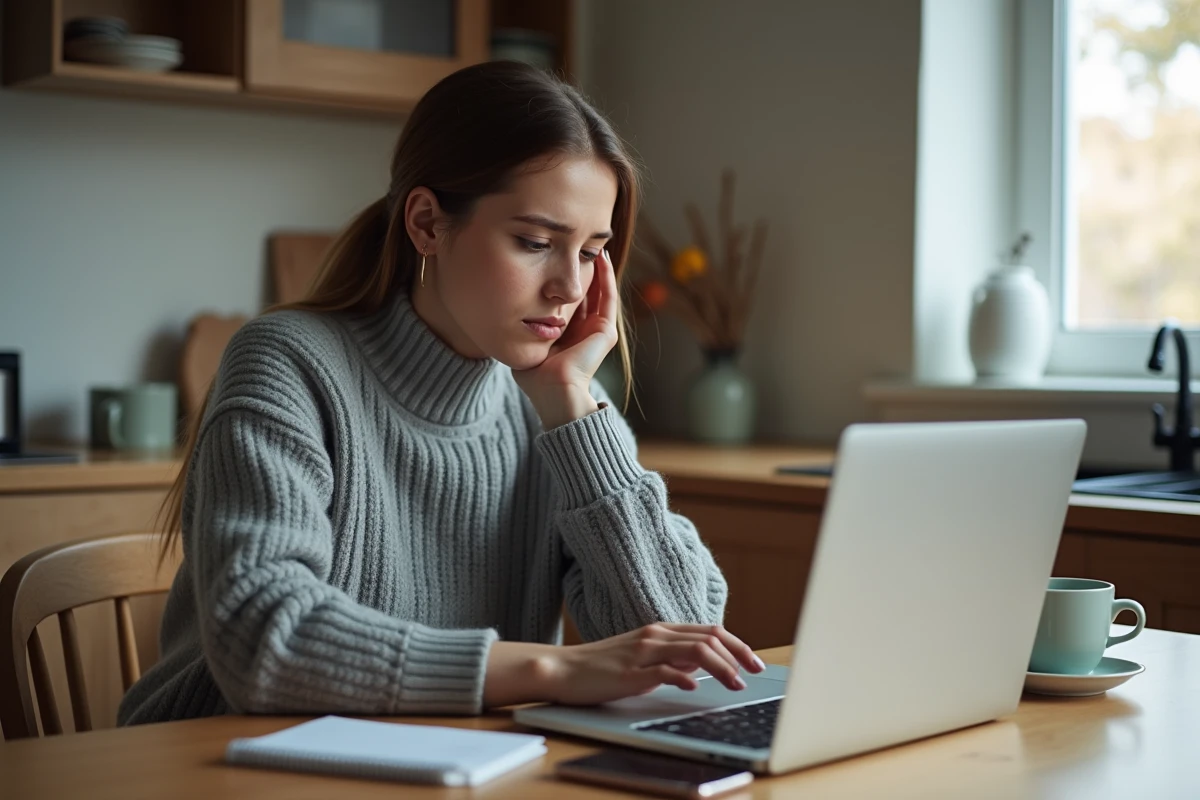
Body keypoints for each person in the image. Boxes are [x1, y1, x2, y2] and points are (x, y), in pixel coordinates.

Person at [119, 61, 762, 726]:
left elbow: (684, 646)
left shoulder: (561, 410)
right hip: (218, 763)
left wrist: (575, 408)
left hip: (454, 771)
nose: (570, 289)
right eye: (536, 242)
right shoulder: (289, 363)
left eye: (592, 251)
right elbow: (261, 640)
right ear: (427, 223)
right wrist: (551, 669)